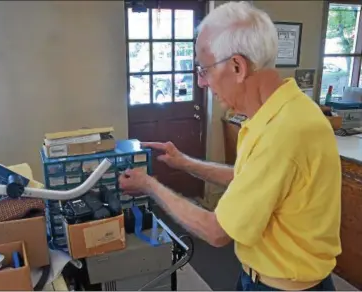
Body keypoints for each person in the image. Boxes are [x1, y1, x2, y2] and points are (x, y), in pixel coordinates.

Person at [119, 1, 341, 291]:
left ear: (237, 66)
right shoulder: (280, 112)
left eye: (204, 69)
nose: (200, 82)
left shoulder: (283, 133)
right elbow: (248, 181)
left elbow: (216, 232)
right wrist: (183, 161)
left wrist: (150, 186)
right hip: (261, 275)